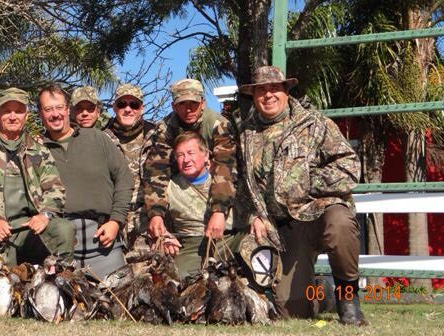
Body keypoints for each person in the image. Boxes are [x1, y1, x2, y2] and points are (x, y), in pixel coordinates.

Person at [234, 65, 365, 325]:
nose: (267, 95)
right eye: (261, 90)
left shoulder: (314, 123)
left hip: (318, 213)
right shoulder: (244, 133)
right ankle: (324, 293)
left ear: (285, 91)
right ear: (254, 95)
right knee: (292, 311)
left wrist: (306, 184)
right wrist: (253, 215)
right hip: (282, 228)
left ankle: (348, 298)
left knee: (340, 223)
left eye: (274, 89)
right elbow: (240, 184)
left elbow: (349, 166)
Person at [0, 88, 74, 267]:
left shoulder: (39, 151)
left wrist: (45, 215)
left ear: (26, 115)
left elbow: (55, 189)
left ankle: (61, 281)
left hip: (27, 230)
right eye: (6, 111)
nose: (12, 116)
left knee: (63, 229)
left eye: (18, 111)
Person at [38, 83, 133, 279]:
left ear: (67, 110)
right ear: (40, 113)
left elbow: (124, 178)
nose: (55, 114)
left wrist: (116, 220)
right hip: (57, 247)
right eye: (48, 109)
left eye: (59, 108)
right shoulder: (35, 149)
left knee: (115, 303)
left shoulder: (98, 139)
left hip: (103, 244)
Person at [144, 78, 237, 244]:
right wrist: (156, 213)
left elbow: (226, 167)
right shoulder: (164, 128)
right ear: (173, 106)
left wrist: (219, 210)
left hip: (214, 185)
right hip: (181, 189)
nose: (188, 109)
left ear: (202, 103)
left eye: (193, 104)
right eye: (182, 104)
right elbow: (157, 170)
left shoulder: (219, 124)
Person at [148, 131, 239, 280]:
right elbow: (159, 225)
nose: (186, 160)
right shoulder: (168, 188)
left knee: (258, 248)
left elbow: (249, 210)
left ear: (206, 155)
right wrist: (166, 238)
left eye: (191, 153)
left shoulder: (225, 181)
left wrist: (255, 220)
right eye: (180, 155)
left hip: (229, 238)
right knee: (175, 277)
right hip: (194, 246)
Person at [103, 84, 156, 246]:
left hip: (147, 219)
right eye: (122, 104)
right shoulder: (102, 137)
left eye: (134, 105)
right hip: (112, 219)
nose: (128, 109)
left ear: (142, 108)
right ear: (114, 107)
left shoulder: (157, 135)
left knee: (146, 269)